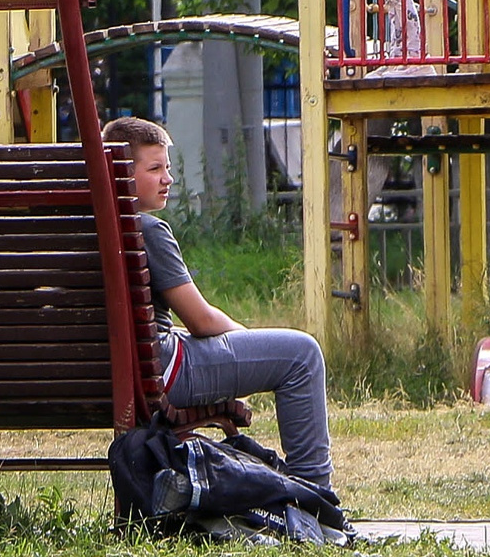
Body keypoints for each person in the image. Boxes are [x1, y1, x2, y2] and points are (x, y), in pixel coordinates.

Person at [104, 116, 336, 496]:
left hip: (110, 374)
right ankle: (315, 493)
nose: (168, 178)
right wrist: (248, 342)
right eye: (155, 168)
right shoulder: (144, 230)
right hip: (162, 373)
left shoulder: (87, 226)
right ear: (122, 174)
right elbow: (200, 319)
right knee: (302, 355)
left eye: (167, 167)